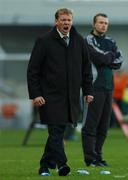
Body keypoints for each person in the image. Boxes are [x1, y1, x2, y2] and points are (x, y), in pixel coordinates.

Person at [27, 8, 94, 176]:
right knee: (56, 131)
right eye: (63, 20)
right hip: (49, 97)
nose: (66, 23)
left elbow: (86, 69)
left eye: (69, 20)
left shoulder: (79, 41)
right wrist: (36, 94)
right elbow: (33, 70)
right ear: (56, 21)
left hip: (71, 97)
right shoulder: (43, 41)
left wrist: (88, 90)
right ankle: (62, 164)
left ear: (72, 21)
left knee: (58, 131)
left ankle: (44, 165)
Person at [81, 13, 123, 167]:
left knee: (104, 126)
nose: (103, 25)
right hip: (93, 88)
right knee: (91, 125)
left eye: (106, 23)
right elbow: (98, 57)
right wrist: (109, 57)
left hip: (108, 87)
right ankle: (90, 158)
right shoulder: (88, 40)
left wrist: (107, 58)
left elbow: (120, 60)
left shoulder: (111, 41)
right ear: (94, 24)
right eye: (100, 22)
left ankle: (98, 156)